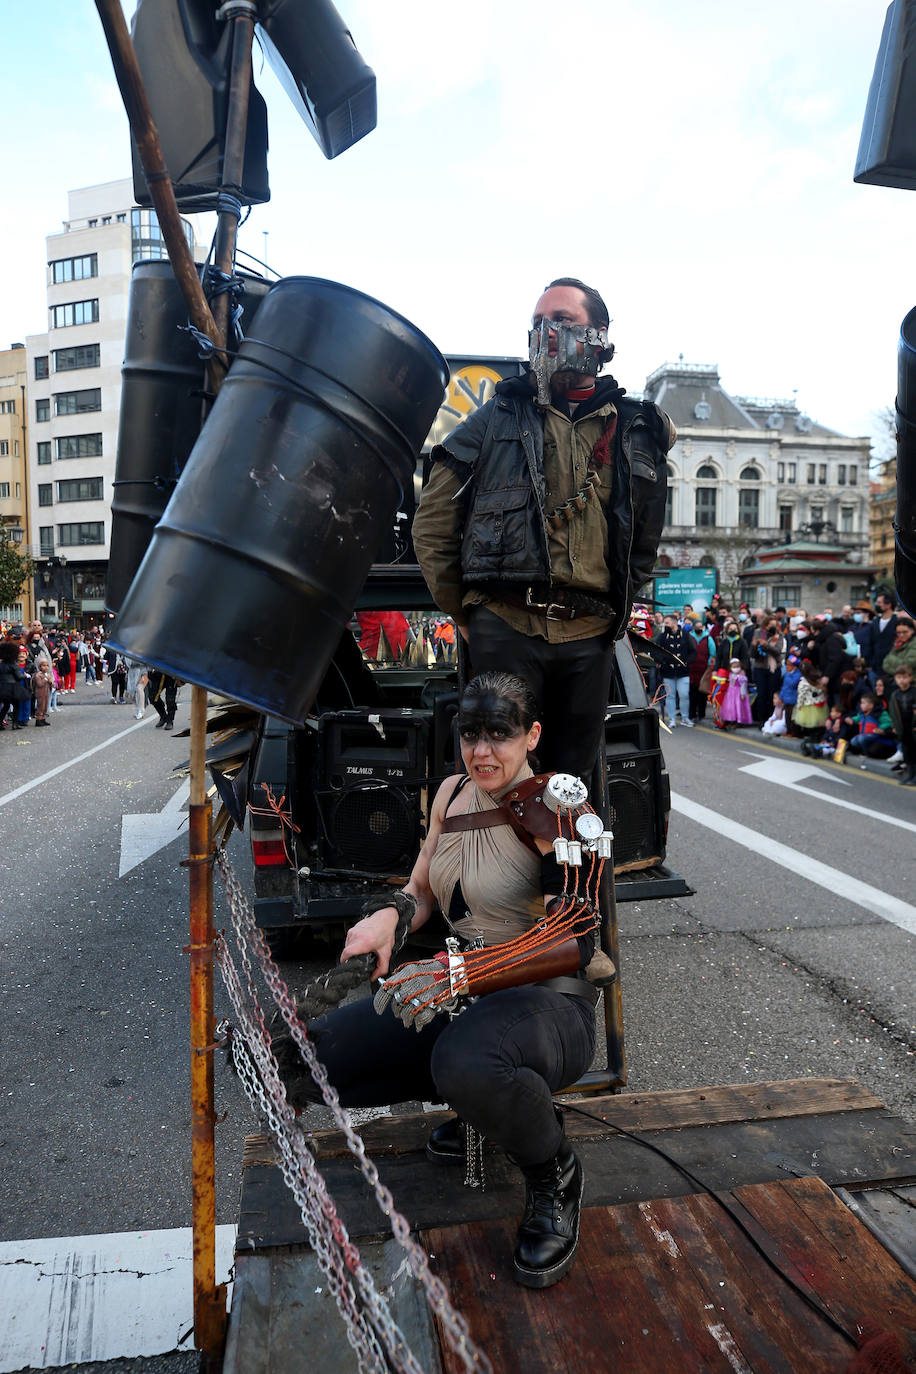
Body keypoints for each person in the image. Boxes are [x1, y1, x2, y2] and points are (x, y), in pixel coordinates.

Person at [289, 672, 604, 1289]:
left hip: (547, 1005)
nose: (482, 751)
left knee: (468, 1062)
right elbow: (423, 885)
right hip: (464, 989)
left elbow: (575, 932)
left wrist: (460, 973)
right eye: (470, 733)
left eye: (500, 734)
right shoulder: (452, 794)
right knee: (317, 1056)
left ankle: (553, 1171)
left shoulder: (561, 806)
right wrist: (392, 918)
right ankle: (480, 1112)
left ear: (532, 735)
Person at [412, 277, 674, 778]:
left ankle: (569, 861)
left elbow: (645, 537)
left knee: (572, 787)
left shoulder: (637, 429)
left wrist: (616, 611)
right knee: (499, 780)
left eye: (562, 321)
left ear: (599, 334)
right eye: (537, 323)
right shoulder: (496, 417)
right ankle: (494, 860)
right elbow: (434, 522)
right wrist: (463, 612)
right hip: (507, 626)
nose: (546, 332)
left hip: (590, 635)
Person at [656, 613, 695, 728]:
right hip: (668, 672)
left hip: (683, 672)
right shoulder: (662, 637)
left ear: (674, 623)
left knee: (684, 695)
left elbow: (693, 651)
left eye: (667, 623)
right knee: (670, 696)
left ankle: (685, 718)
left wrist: (686, 662)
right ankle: (672, 719)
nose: (665, 625)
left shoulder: (686, 636)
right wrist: (662, 661)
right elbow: (655, 651)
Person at [889, 664, 916, 785]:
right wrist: (895, 726)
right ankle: (909, 774)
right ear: (895, 679)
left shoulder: (914, 692)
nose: (902, 680)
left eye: (905, 677)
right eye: (899, 677)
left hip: (914, 726)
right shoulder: (895, 695)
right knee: (907, 752)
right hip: (903, 727)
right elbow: (893, 711)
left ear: (911, 678)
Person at [719, 657, 753, 728]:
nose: (736, 668)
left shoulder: (741, 676)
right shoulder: (731, 675)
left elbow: (743, 686)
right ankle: (731, 720)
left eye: (738, 667)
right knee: (731, 708)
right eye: (734, 667)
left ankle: (738, 721)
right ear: (730, 667)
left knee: (738, 707)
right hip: (731, 694)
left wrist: (742, 694)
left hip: (738, 694)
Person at [31, 657, 53, 727]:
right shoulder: (38, 675)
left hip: (46, 692)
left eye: (47, 665)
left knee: (45, 706)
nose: (46, 667)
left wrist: (50, 682)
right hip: (40, 693)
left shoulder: (47, 674)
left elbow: (50, 683)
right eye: (43, 665)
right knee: (40, 706)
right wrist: (46, 679)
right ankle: (38, 720)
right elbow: (39, 684)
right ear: (39, 666)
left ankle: (43, 718)